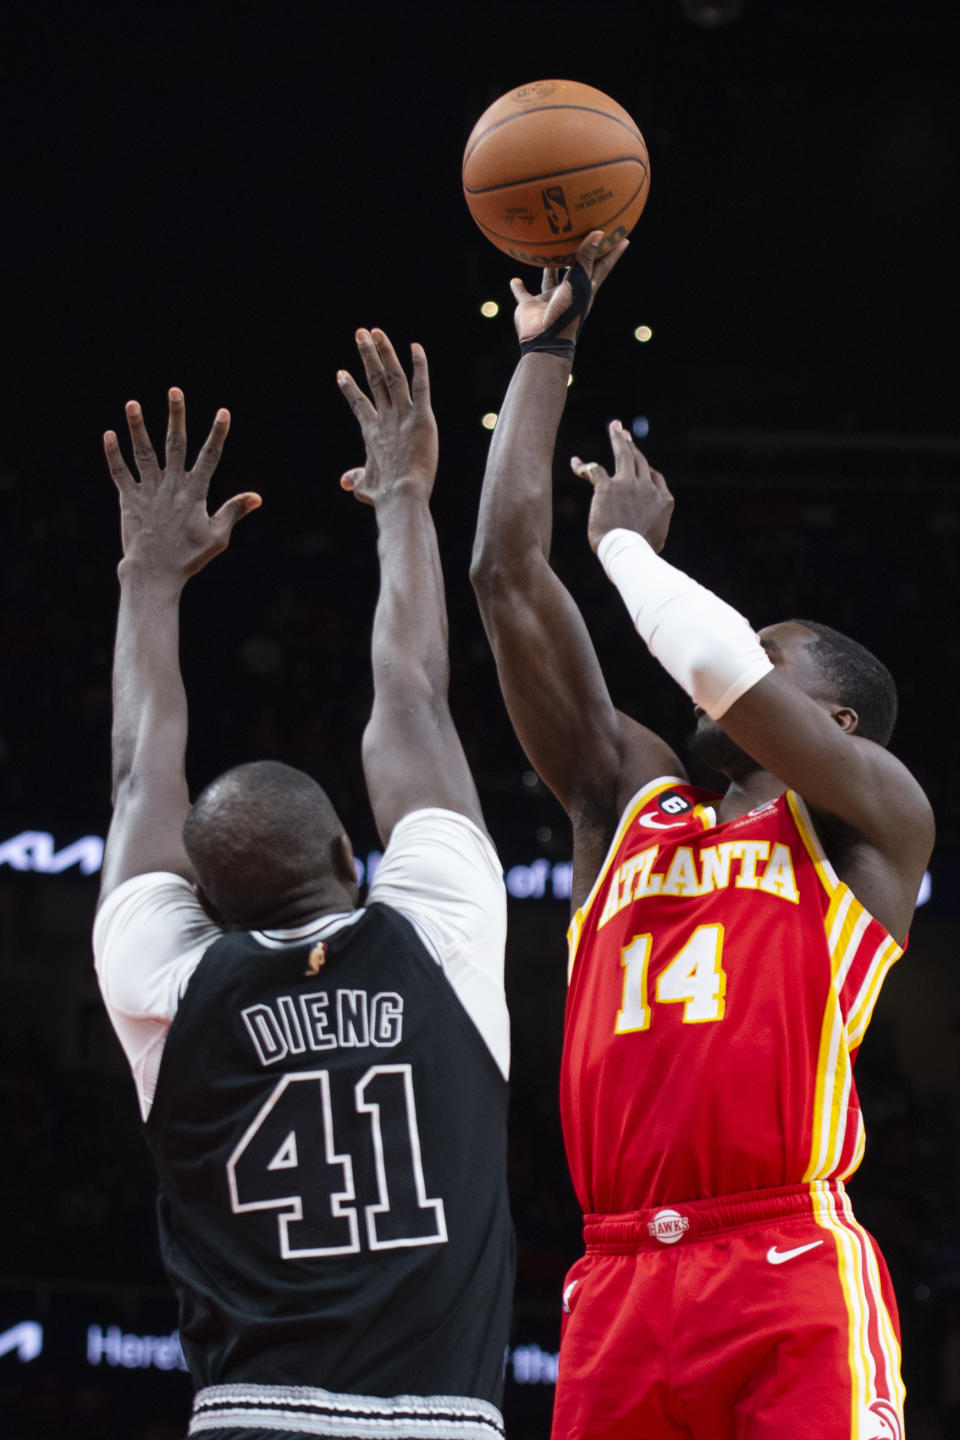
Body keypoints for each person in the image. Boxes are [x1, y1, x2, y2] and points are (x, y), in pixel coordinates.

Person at [470, 231, 934, 1440]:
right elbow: (505, 575)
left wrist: (626, 548)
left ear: (830, 719)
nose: (729, 668)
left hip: (784, 1264)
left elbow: (722, 668)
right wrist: (549, 352)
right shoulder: (626, 805)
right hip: (616, 1277)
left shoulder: (869, 823)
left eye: (770, 650)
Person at [94, 332, 514, 1440]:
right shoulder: (441, 939)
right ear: (351, 857)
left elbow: (143, 772)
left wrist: (145, 577)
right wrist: (403, 496)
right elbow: (414, 701)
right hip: (439, 1421)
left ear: (201, 901)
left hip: (245, 1416)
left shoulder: (165, 982)